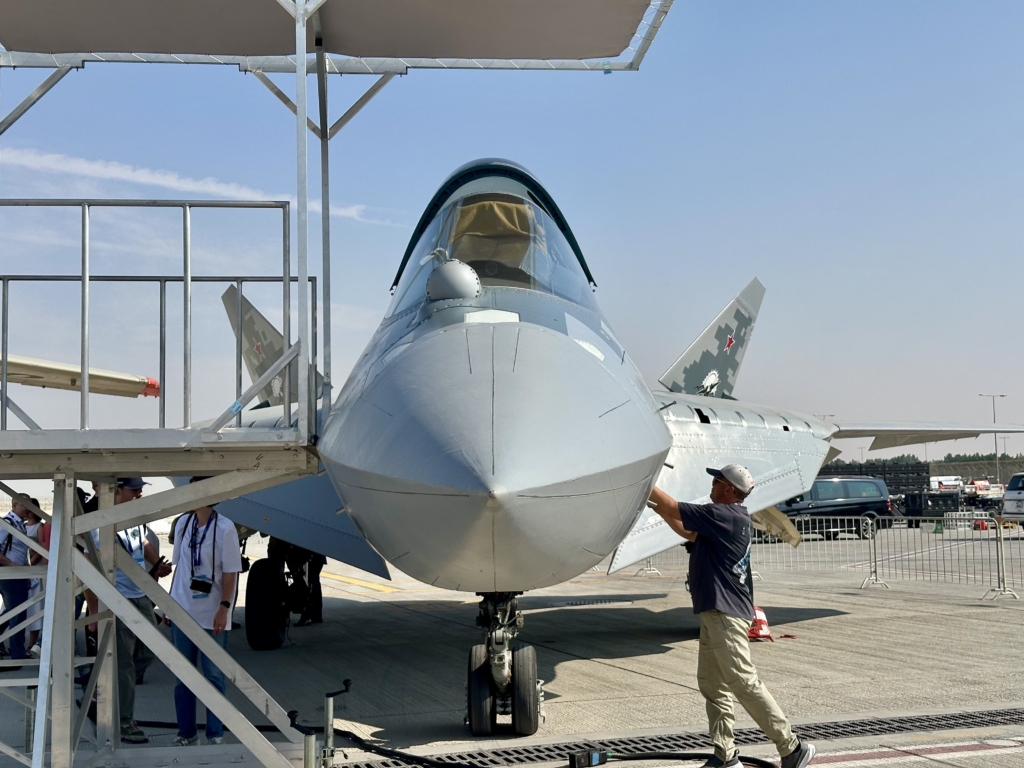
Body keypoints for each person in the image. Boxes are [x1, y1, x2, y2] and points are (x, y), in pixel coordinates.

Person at [647, 465, 816, 768]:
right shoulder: (731, 517)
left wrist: (643, 481)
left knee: (742, 681)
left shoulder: (722, 514)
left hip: (725, 613)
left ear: (728, 489)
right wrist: (658, 508)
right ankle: (725, 755)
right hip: (716, 613)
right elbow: (687, 531)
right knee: (712, 684)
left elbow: (673, 506)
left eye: (716, 480)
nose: (711, 484)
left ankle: (792, 748)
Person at [83, 478, 172, 745]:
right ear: (117, 490)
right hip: (116, 598)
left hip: (139, 595)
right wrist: (94, 610)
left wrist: (156, 563)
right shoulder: (99, 524)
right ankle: (124, 722)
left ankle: (99, 694)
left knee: (150, 650)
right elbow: (88, 569)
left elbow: (142, 543)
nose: (140, 492)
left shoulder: (133, 519)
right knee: (124, 665)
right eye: (134, 489)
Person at [167, 484, 242, 747]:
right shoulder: (183, 523)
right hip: (182, 609)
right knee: (183, 677)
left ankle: (215, 733)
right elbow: (179, 567)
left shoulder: (225, 528)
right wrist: (169, 604)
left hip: (212, 614)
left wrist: (224, 607)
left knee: (213, 676)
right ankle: (186, 732)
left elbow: (231, 571)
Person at [0, 495, 34, 662]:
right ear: (14, 505)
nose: (28, 509)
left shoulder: (19, 525)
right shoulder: (7, 524)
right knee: (17, 614)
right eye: (24, 505)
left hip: (18, 575)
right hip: (11, 575)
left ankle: (16, 651)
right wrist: (10, 564)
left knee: (13, 611)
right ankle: (17, 654)